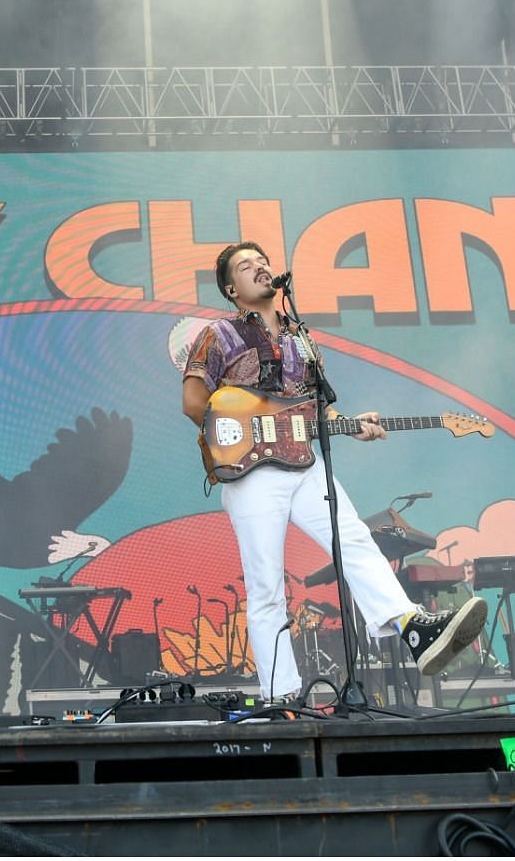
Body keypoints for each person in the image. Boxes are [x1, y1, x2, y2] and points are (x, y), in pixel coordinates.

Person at [181, 242, 488, 701]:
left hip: (304, 462)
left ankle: (411, 628)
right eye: (247, 266)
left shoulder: (302, 337)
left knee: (355, 539)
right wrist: (241, 434)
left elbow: (317, 412)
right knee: (266, 584)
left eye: (262, 261)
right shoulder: (220, 334)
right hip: (251, 472)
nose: (260, 268)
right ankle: (281, 697)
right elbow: (193, 402)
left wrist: (354, 427)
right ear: (231, 288)